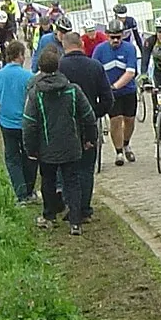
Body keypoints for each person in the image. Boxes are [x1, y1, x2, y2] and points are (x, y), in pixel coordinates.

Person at [21, 49, 97, 235]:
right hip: (71, 146)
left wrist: (30, 148)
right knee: (72, 181)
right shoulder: (72, 90)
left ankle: (49, 216)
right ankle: (75, 222)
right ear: (58, 66)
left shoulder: (36, 93)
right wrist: (90, 139)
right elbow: (89, 117)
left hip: (46, 148)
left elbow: (29, 124)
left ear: (40, 68)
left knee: (47, 181)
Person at [58, 20, 114, 218]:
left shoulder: (59, 67)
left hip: (65, 125)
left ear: (64, 47)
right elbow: (108, 98)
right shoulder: (95, 66)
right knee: (86, 168)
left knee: (68, 168)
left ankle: (72, 206)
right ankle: (85, 208)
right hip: (89, 123)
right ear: (81, 45)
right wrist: (94, 112)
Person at [0, 39, 35, 202]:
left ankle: (20, 194)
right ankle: (29, 189)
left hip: (7, 124)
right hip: (26, 124)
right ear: (19, 55)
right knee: (30, 157)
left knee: (12, 159)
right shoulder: (29, 77)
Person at [93, 21, 142, 165]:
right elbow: (94, 69)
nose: (115, 40)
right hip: (110, 93)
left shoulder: (129, 49)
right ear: (107, 35)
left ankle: (126, 143)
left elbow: (131, 72)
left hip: (128, 90)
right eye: (112, 37)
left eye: (118, 37)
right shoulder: (99, 50)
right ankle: (119, 152)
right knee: (115, 120)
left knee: (129, 120)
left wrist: (116, 86)